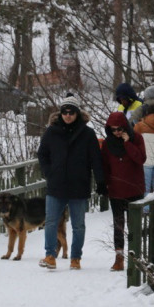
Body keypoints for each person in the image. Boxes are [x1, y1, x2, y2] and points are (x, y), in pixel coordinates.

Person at [37, 93, 107, 270]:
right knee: (51, 222)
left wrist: (100, 181)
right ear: (60, 113)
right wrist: (49, 172)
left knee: (78, 225)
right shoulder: (52, 132)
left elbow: (95, 159)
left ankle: (76, 258)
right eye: (65, 112)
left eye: (71, 112)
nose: (68, 115)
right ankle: (50, 255)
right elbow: (42, 154)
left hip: (79, 184)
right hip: (57, 184)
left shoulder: (88, 134)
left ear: (77, 114)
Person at [100, 111, 146, 271]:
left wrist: (128, 143)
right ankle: (119, 258)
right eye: (113, 130)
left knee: (134, 225)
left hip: (134, 188)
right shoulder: (107, 144)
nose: (117, 133)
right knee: (118, 226)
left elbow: (140, 159)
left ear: (125, 127)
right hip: (116, 190)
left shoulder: (137, 138)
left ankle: (136, 257)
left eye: (120, 129)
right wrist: (104, 185)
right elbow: (105, 166)